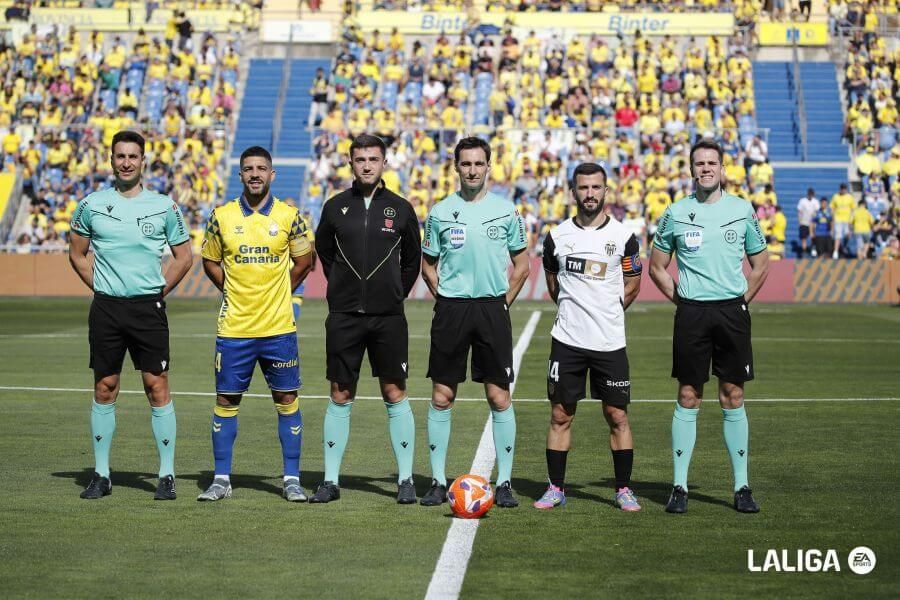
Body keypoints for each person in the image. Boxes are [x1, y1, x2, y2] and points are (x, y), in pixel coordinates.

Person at [68, 130, 193, 500]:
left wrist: (158, 292)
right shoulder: (91, 204)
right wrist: (101, 286)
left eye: (132, 156)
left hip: (147, 309)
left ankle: (166, 475)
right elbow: (76, 254)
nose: (126, 163)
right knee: (105, 387)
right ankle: (101, 475)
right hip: (106, 309)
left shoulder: (164, 206)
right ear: (111, 160)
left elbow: (184, 257)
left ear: (143, 162)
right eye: (120, 156)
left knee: (157, 386)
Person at [649, 139, 769, 514]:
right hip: (692, 314)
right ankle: (679, 487)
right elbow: (656, 266)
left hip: (731, 313)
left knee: (733, 394)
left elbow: (761, 264)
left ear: (722, 168)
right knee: (689, 394)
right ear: (691, 170)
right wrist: (683, 301)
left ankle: (742, 487)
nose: (705, 169)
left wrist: (741, 300)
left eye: (711, 163)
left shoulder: (742, 209)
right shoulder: (675, 212)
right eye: (699, 163)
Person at [197, 146, 314, 502]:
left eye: (261, 168)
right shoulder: (221, 217)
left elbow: (304, 261)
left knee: (286, 398)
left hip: (278, 328)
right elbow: (210, 261)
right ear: (241, 175)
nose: (255, 174)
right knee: (226, 399)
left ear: (271, 174)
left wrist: (278, 292)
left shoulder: (291, 217)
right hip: (235, 328)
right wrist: (231, 290)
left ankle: (291, 479)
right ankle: (221, 479)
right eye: (248, 169)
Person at [310, 134, 422, 504]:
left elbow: (412, 261)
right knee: (340, 393)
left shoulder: (401, 209)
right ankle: (330, 481)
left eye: (373, 159)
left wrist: (393, 292)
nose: (367, 165)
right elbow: (324, 250)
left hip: (388, 317)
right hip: (344, 316)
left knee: (394, 392)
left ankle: (405, 480)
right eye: (360, 160)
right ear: (351, 163)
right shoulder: (334, 207)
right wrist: (344, 288)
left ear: (384, 162)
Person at [419, 137, 530, 508]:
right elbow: (428, 266)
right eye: (465, 164)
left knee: (499, 396)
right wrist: (446, 299)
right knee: (442, 395)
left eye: (478, 163)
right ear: (456, 167)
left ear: (488, 167)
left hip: (491, 310)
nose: (472, 170)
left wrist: (501, 305)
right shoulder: (440, 212)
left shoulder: (506, 211)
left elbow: (522, 266)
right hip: (451, 310)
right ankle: (437, 482)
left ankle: (505, 482)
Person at [534, 162, 643, 511]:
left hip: (609, 342)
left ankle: (623, 489)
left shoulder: (624, 237)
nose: (590, 194)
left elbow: (633, 283)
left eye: (596, 187)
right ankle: (555, 488)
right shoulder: (557, 237)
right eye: (584, 187)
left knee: (617, 415)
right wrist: (574, 312)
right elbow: (553, 283)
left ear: (606, 191)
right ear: (573, 192)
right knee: (560, 415)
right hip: (567, 341)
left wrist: (609, 311)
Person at [797, 187, 819, 257]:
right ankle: (804, 250)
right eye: (809, 194)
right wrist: (799, 221)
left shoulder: (815, 202)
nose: (810, 195)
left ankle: (813, 249)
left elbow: (817, 212)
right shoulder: (802, 201)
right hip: (804, 222)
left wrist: (815, 222)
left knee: (813, 237)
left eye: (811, 194)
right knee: (804, 238)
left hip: (812, 224)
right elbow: (800, 212)